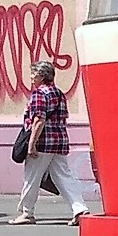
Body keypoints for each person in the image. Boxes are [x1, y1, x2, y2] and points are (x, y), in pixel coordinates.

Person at [10, 60, 94, 225]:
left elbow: (38, 121)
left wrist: (31, 145)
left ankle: (27, 213)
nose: (32, 77)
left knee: (32, 177)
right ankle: (80, 208)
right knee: (64, 176)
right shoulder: (59, 93)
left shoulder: (40, 94)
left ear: (42, 76)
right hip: (59, 142)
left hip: (43, 143)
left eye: (34, 74)